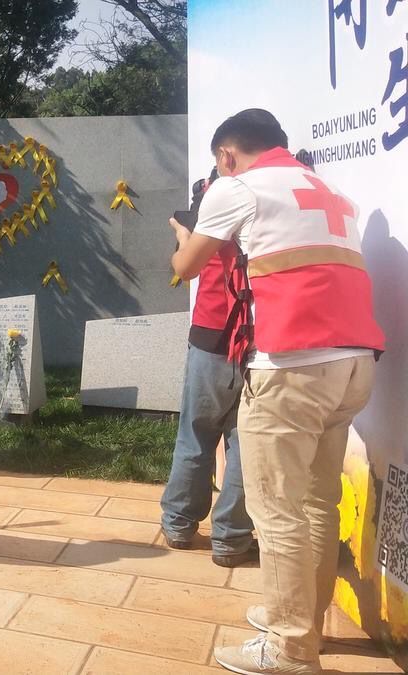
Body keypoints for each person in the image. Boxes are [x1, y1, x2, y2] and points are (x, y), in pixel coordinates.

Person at [170, 109, 384, 675]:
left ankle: (290, 649)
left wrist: (183, 235)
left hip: (291, 366)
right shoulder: (332, 193)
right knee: (317, 502)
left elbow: (185, 268)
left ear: (226, 155)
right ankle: (304, 621)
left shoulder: (236, 187)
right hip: (355, 364)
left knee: (277, 511)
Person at [159, 172, 257, 569]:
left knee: (196, 435)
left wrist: (184, 237)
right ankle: (231, 540)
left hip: (210, 338)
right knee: (245, 446)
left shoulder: (213, 209)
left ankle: (178, 525)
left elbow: (185, 267)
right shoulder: (265, 207)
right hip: (257, 340)